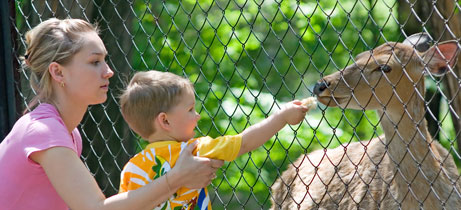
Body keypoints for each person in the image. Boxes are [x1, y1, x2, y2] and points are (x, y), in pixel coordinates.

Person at [0, 18, 223, 210]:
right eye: (95, 62)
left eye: (104, 60)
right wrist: (177, 178)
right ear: (58, 72)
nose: (108, 71)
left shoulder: (66, 132)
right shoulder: (44, 132)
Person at [119, 70, 315, 209]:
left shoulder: (132, 168)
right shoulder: (195, 150)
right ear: (165, 121)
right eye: (190, 110)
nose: (197, 116)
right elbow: (244, 142)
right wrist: (281, 117)